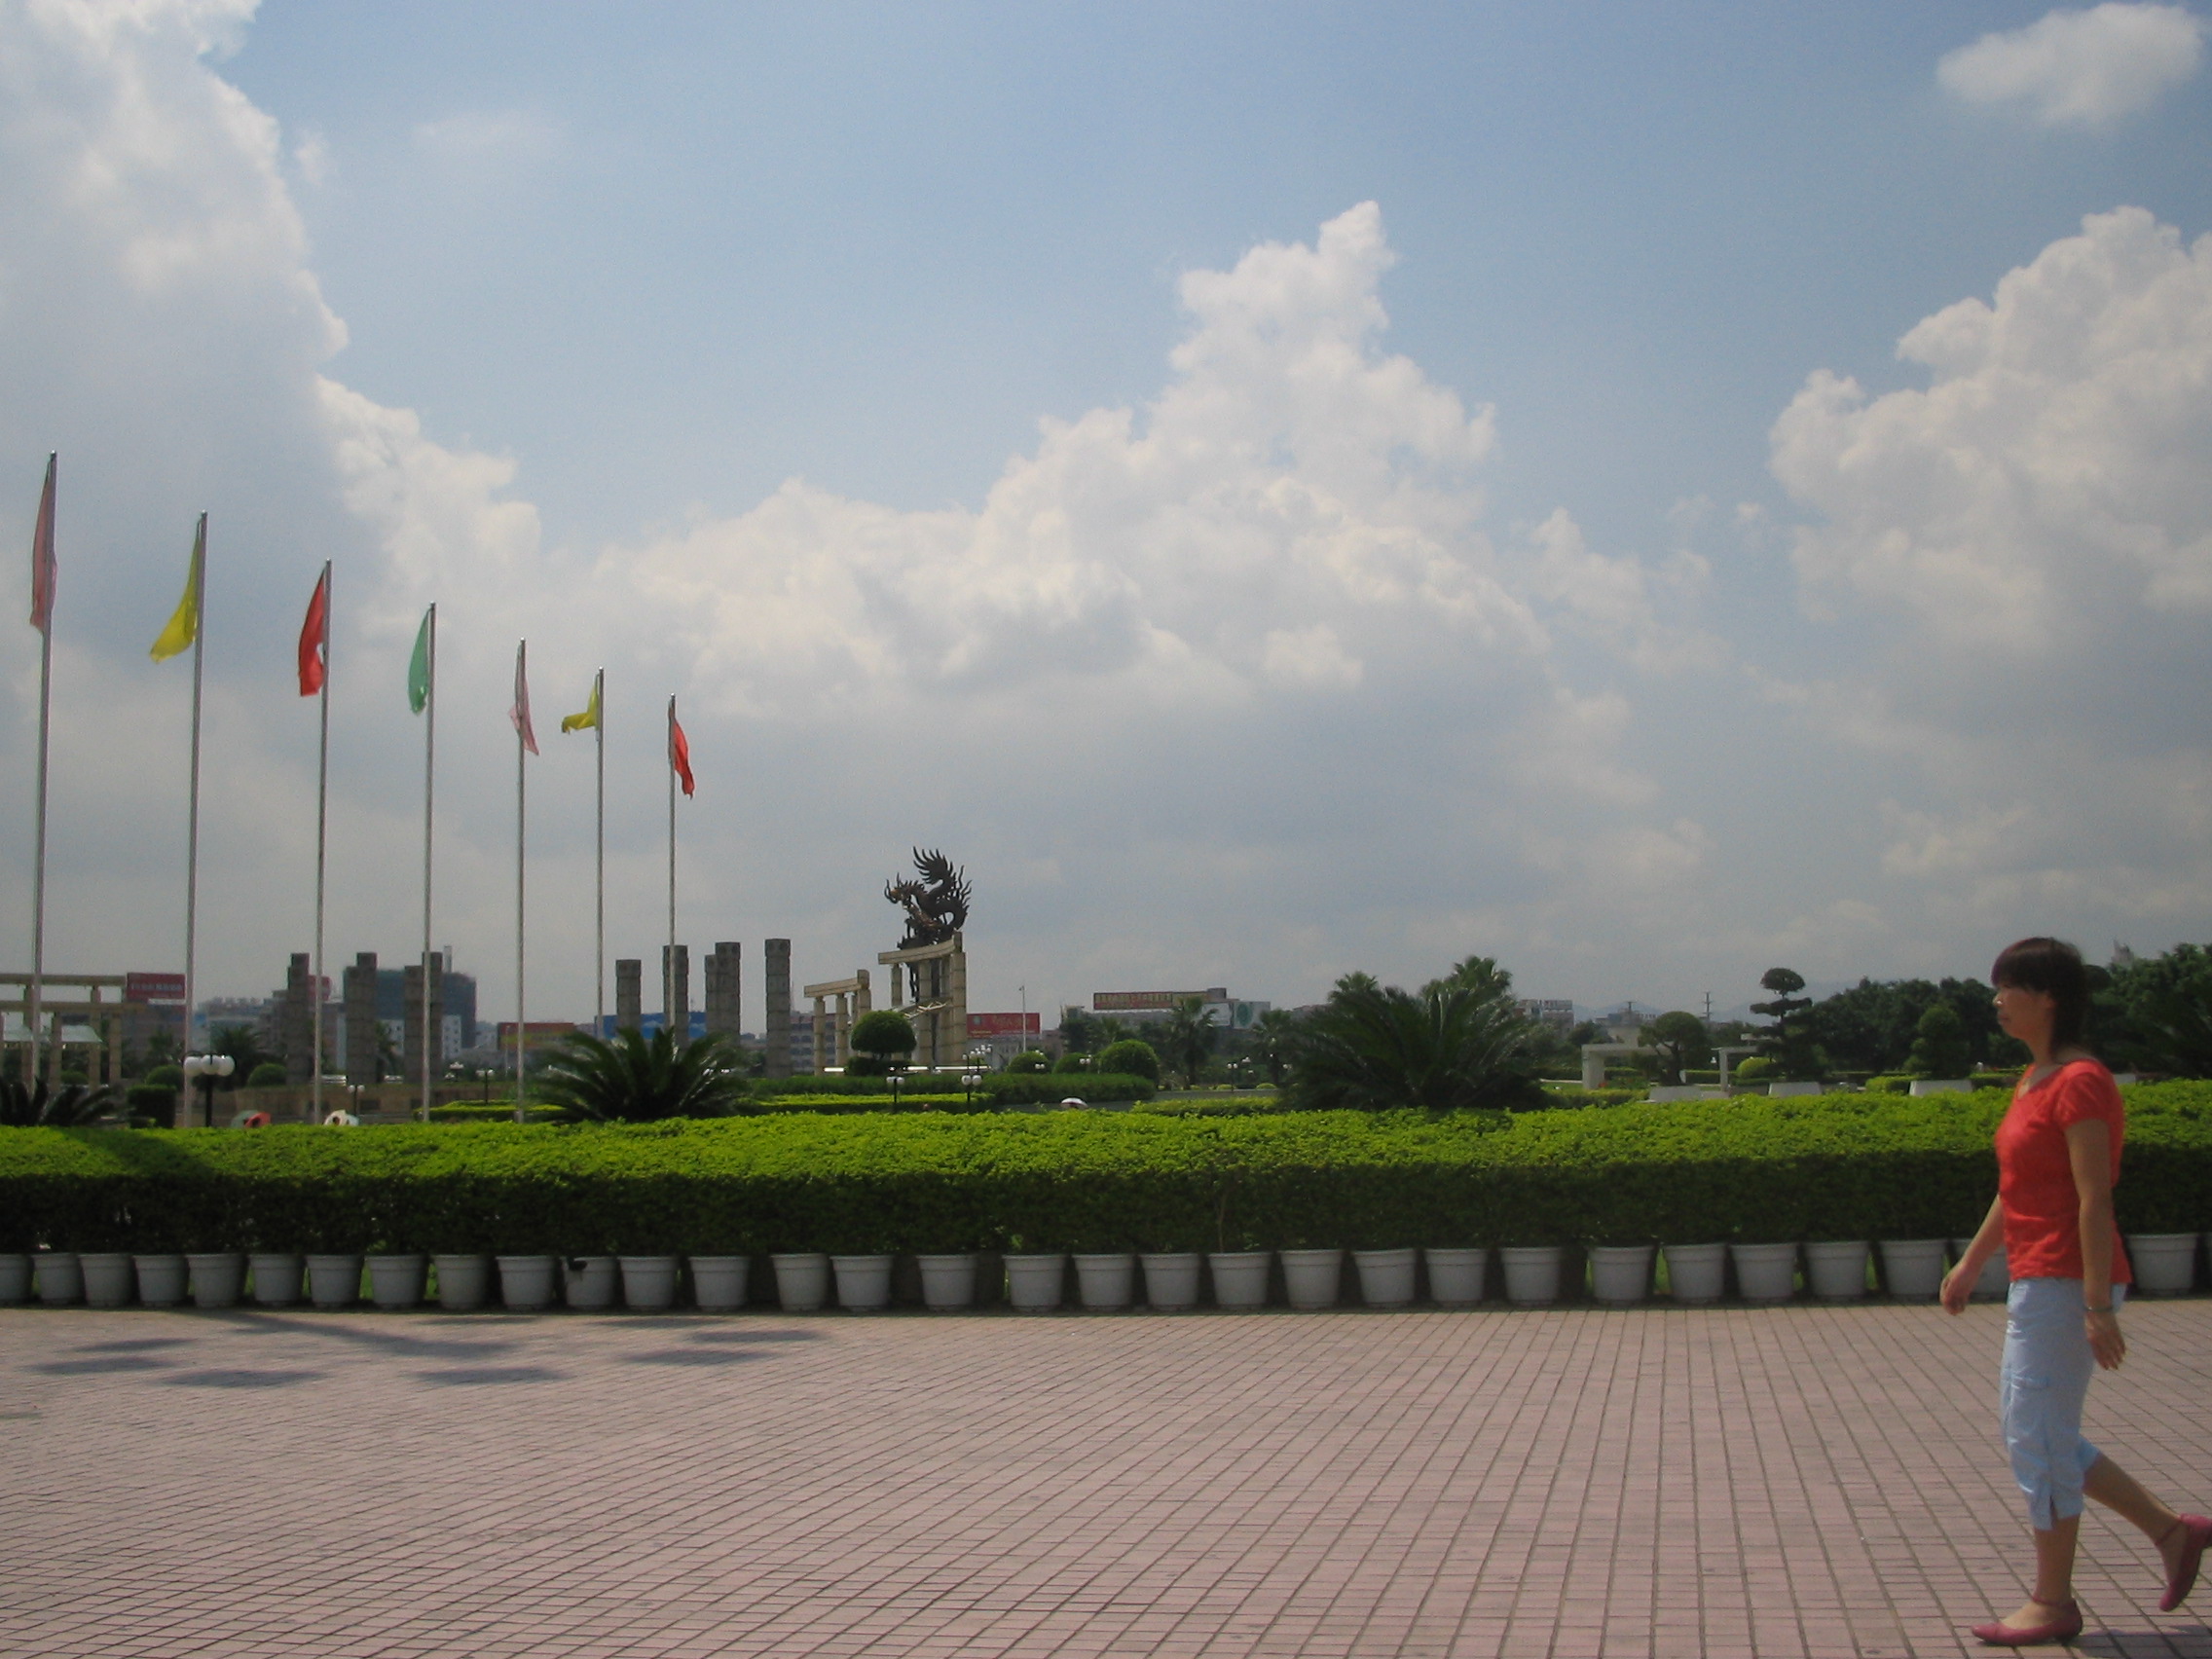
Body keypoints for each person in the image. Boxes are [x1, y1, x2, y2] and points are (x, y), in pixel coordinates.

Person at [1942, 937, 2210, 1645]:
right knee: (2035, 1432)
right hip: (2037, 1279)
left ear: (2049, 998)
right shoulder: (2032, 1080)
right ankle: (2173, 1532)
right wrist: (1971, 1264)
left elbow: (2094, 1197)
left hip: (2067, 1283)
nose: (1997, 1000)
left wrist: (2095, 1305)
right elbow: (2016, 1189)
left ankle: (2053, 1601)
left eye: (2009, 987)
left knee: (2036, 1439)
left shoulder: (2081, 1082)